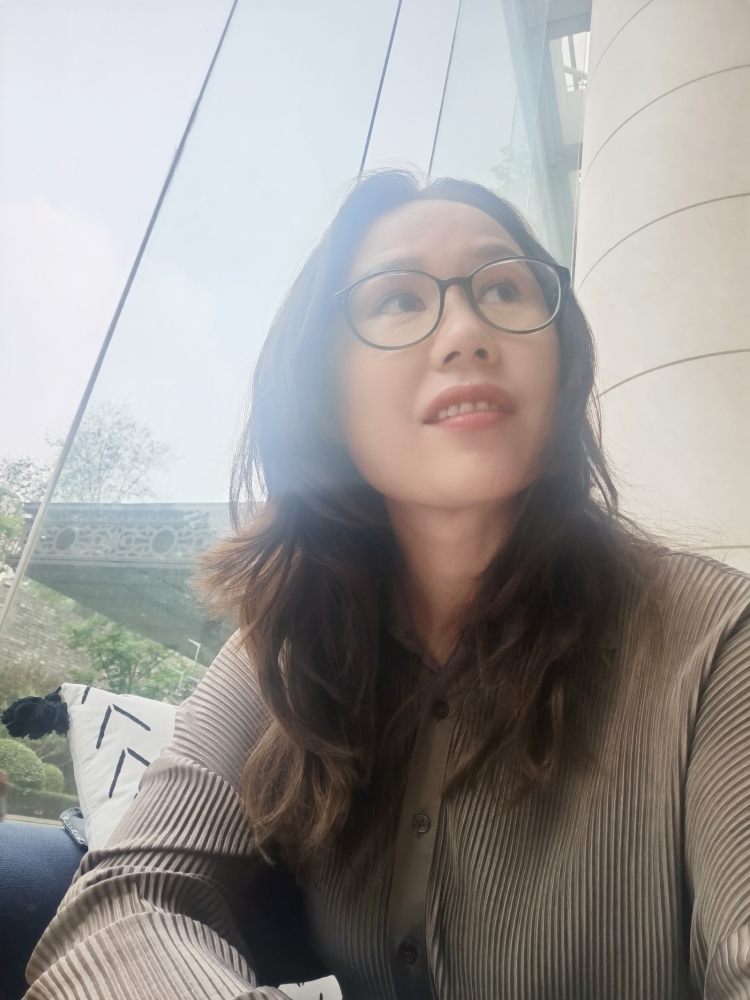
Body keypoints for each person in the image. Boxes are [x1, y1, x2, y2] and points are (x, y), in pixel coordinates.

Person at [24, 172, 750, 999]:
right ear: (326, 397)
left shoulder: (715, 640)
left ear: (561, 367)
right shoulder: (291, 638)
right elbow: (129, 900)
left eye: (504, 288)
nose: (467, 331)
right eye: (398, 300)